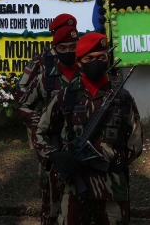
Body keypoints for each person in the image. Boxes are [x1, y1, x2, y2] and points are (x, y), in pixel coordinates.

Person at [33, 32, 143, 224]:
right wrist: (55, 155)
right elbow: (40, 132)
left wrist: (111, 160)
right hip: (74, 186)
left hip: (112, 189)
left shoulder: (123, 99)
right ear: (79, 63)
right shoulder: (65, 97)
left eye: (101, 57)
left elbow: (135, 144)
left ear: (108, 59)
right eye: (89, 58)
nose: (96, 62)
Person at [16, 26, 80, 225]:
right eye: (63, 48)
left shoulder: (86, 73)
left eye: (73, 47)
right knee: (51, 208)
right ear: (55, 49)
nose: (69, 51)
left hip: (83, 150)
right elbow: (22, 104)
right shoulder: (46, 78)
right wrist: (41, 122)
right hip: (53, 150)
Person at [17, 13, 78, 98]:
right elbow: (22, 88)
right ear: (54, 35)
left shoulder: (83, 58)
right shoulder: (41, 61)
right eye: (62, 32)